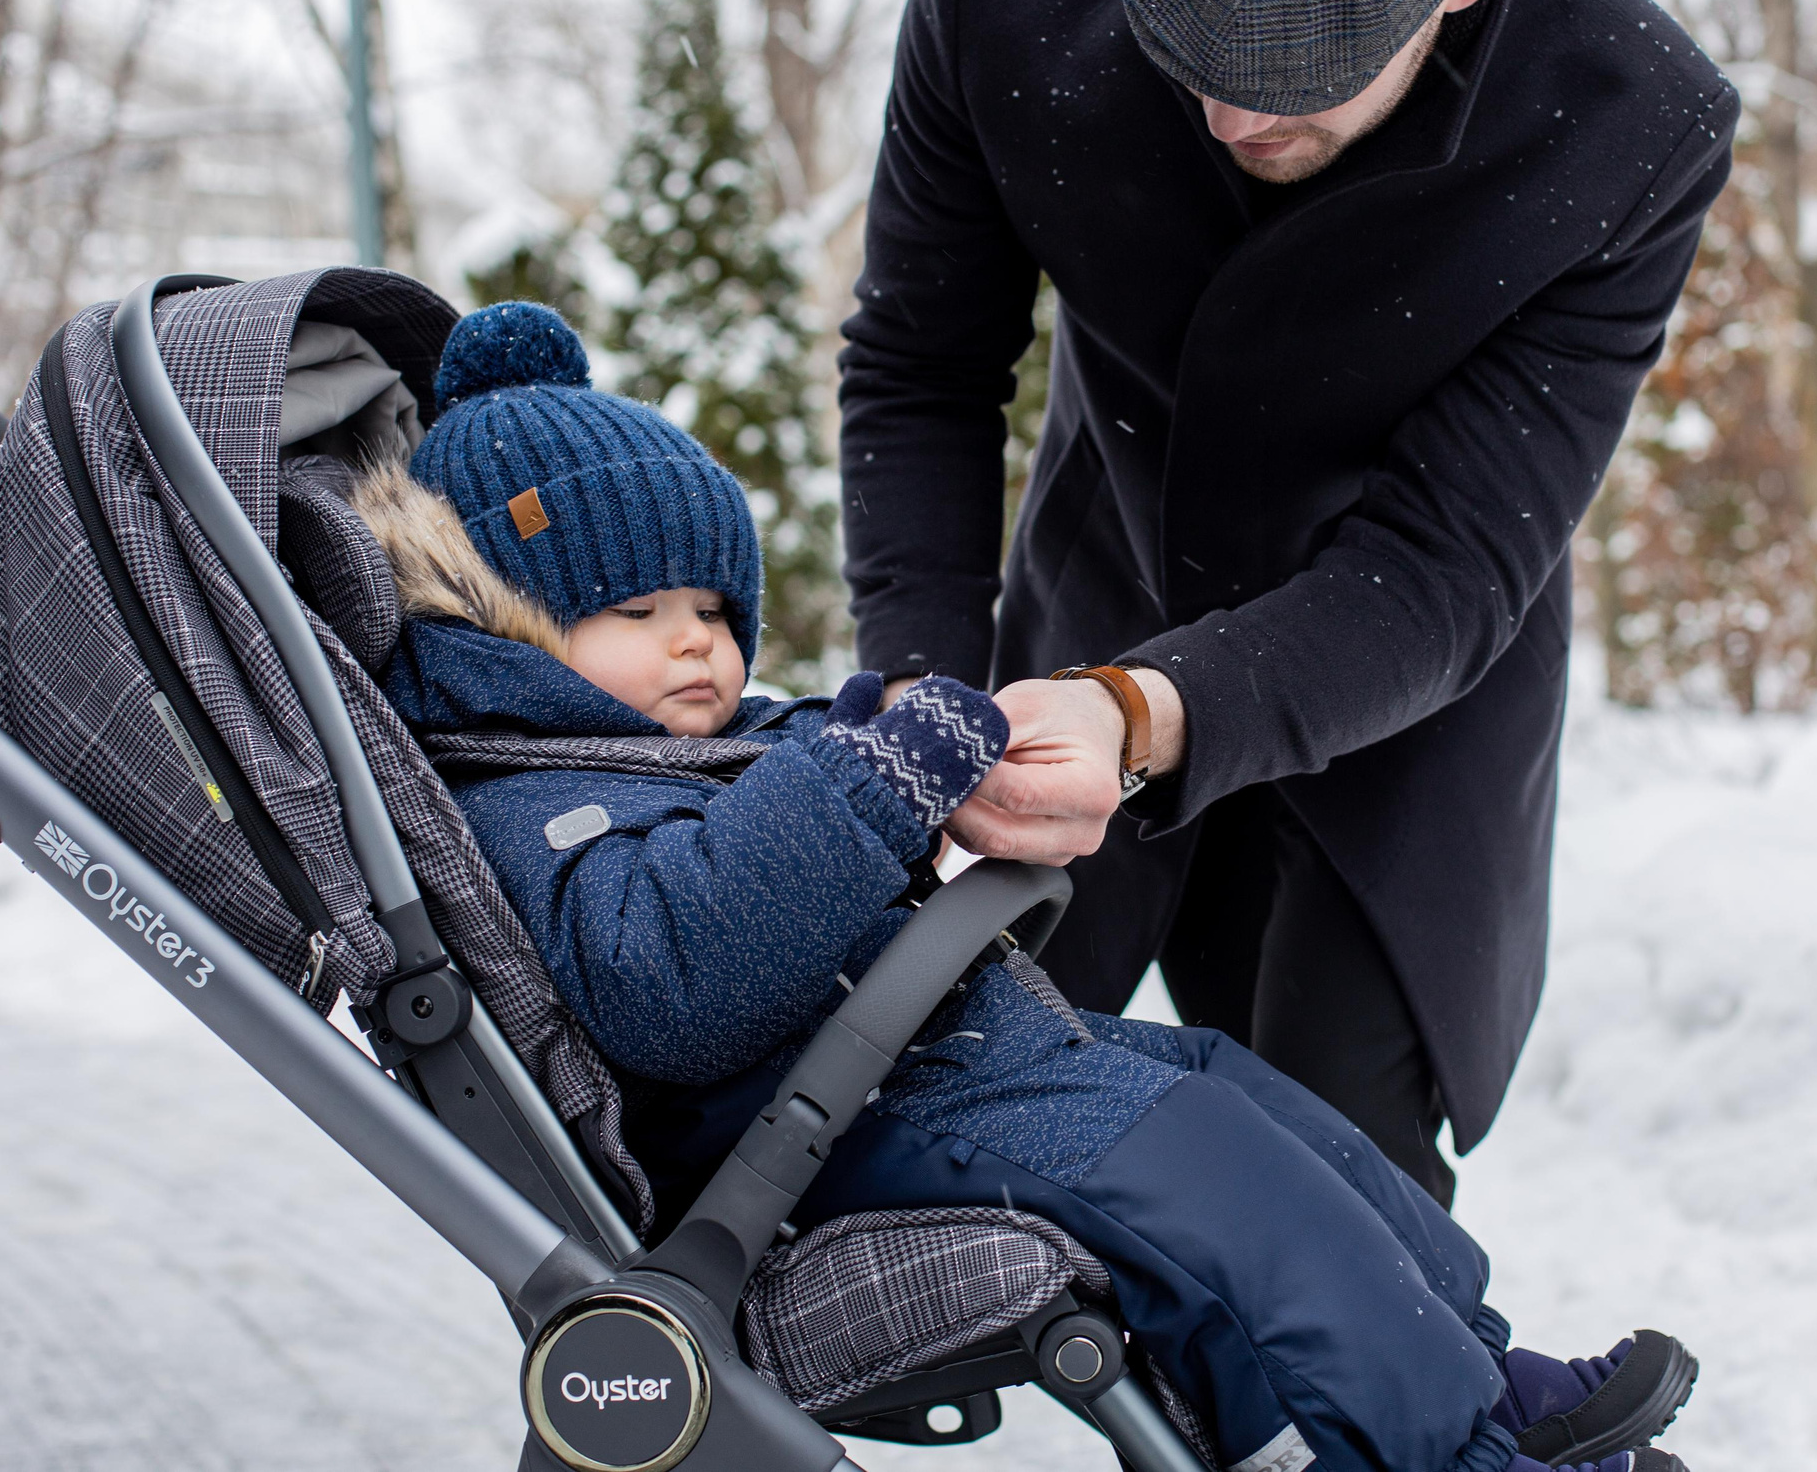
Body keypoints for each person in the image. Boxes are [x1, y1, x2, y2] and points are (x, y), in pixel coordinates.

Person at [368, 302, 1698, 1472]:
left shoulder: (668, 756)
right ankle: (1434, 1457)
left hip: (920, 1070)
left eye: (713, 609)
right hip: (808, 1137)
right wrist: (854, 788)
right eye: (637, 611)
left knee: (1242, 1097)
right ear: (505, 628)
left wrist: (871, 749)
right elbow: (671, 981)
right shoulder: (536, 804)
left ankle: (1477, 1378)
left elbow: (774, 816)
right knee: (1210, 1193)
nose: (698, 642)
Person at [837, 0, 1740, 1205]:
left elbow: (1443, 567)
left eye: (1303, 76)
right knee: (926, 1104)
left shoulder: (1627, 128)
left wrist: (1146, 715)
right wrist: (919, 692)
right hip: (1096, 601)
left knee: (1340, 1184)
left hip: (1398, 684)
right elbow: (921, 364)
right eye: (1188, 51)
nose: (1229, 117)